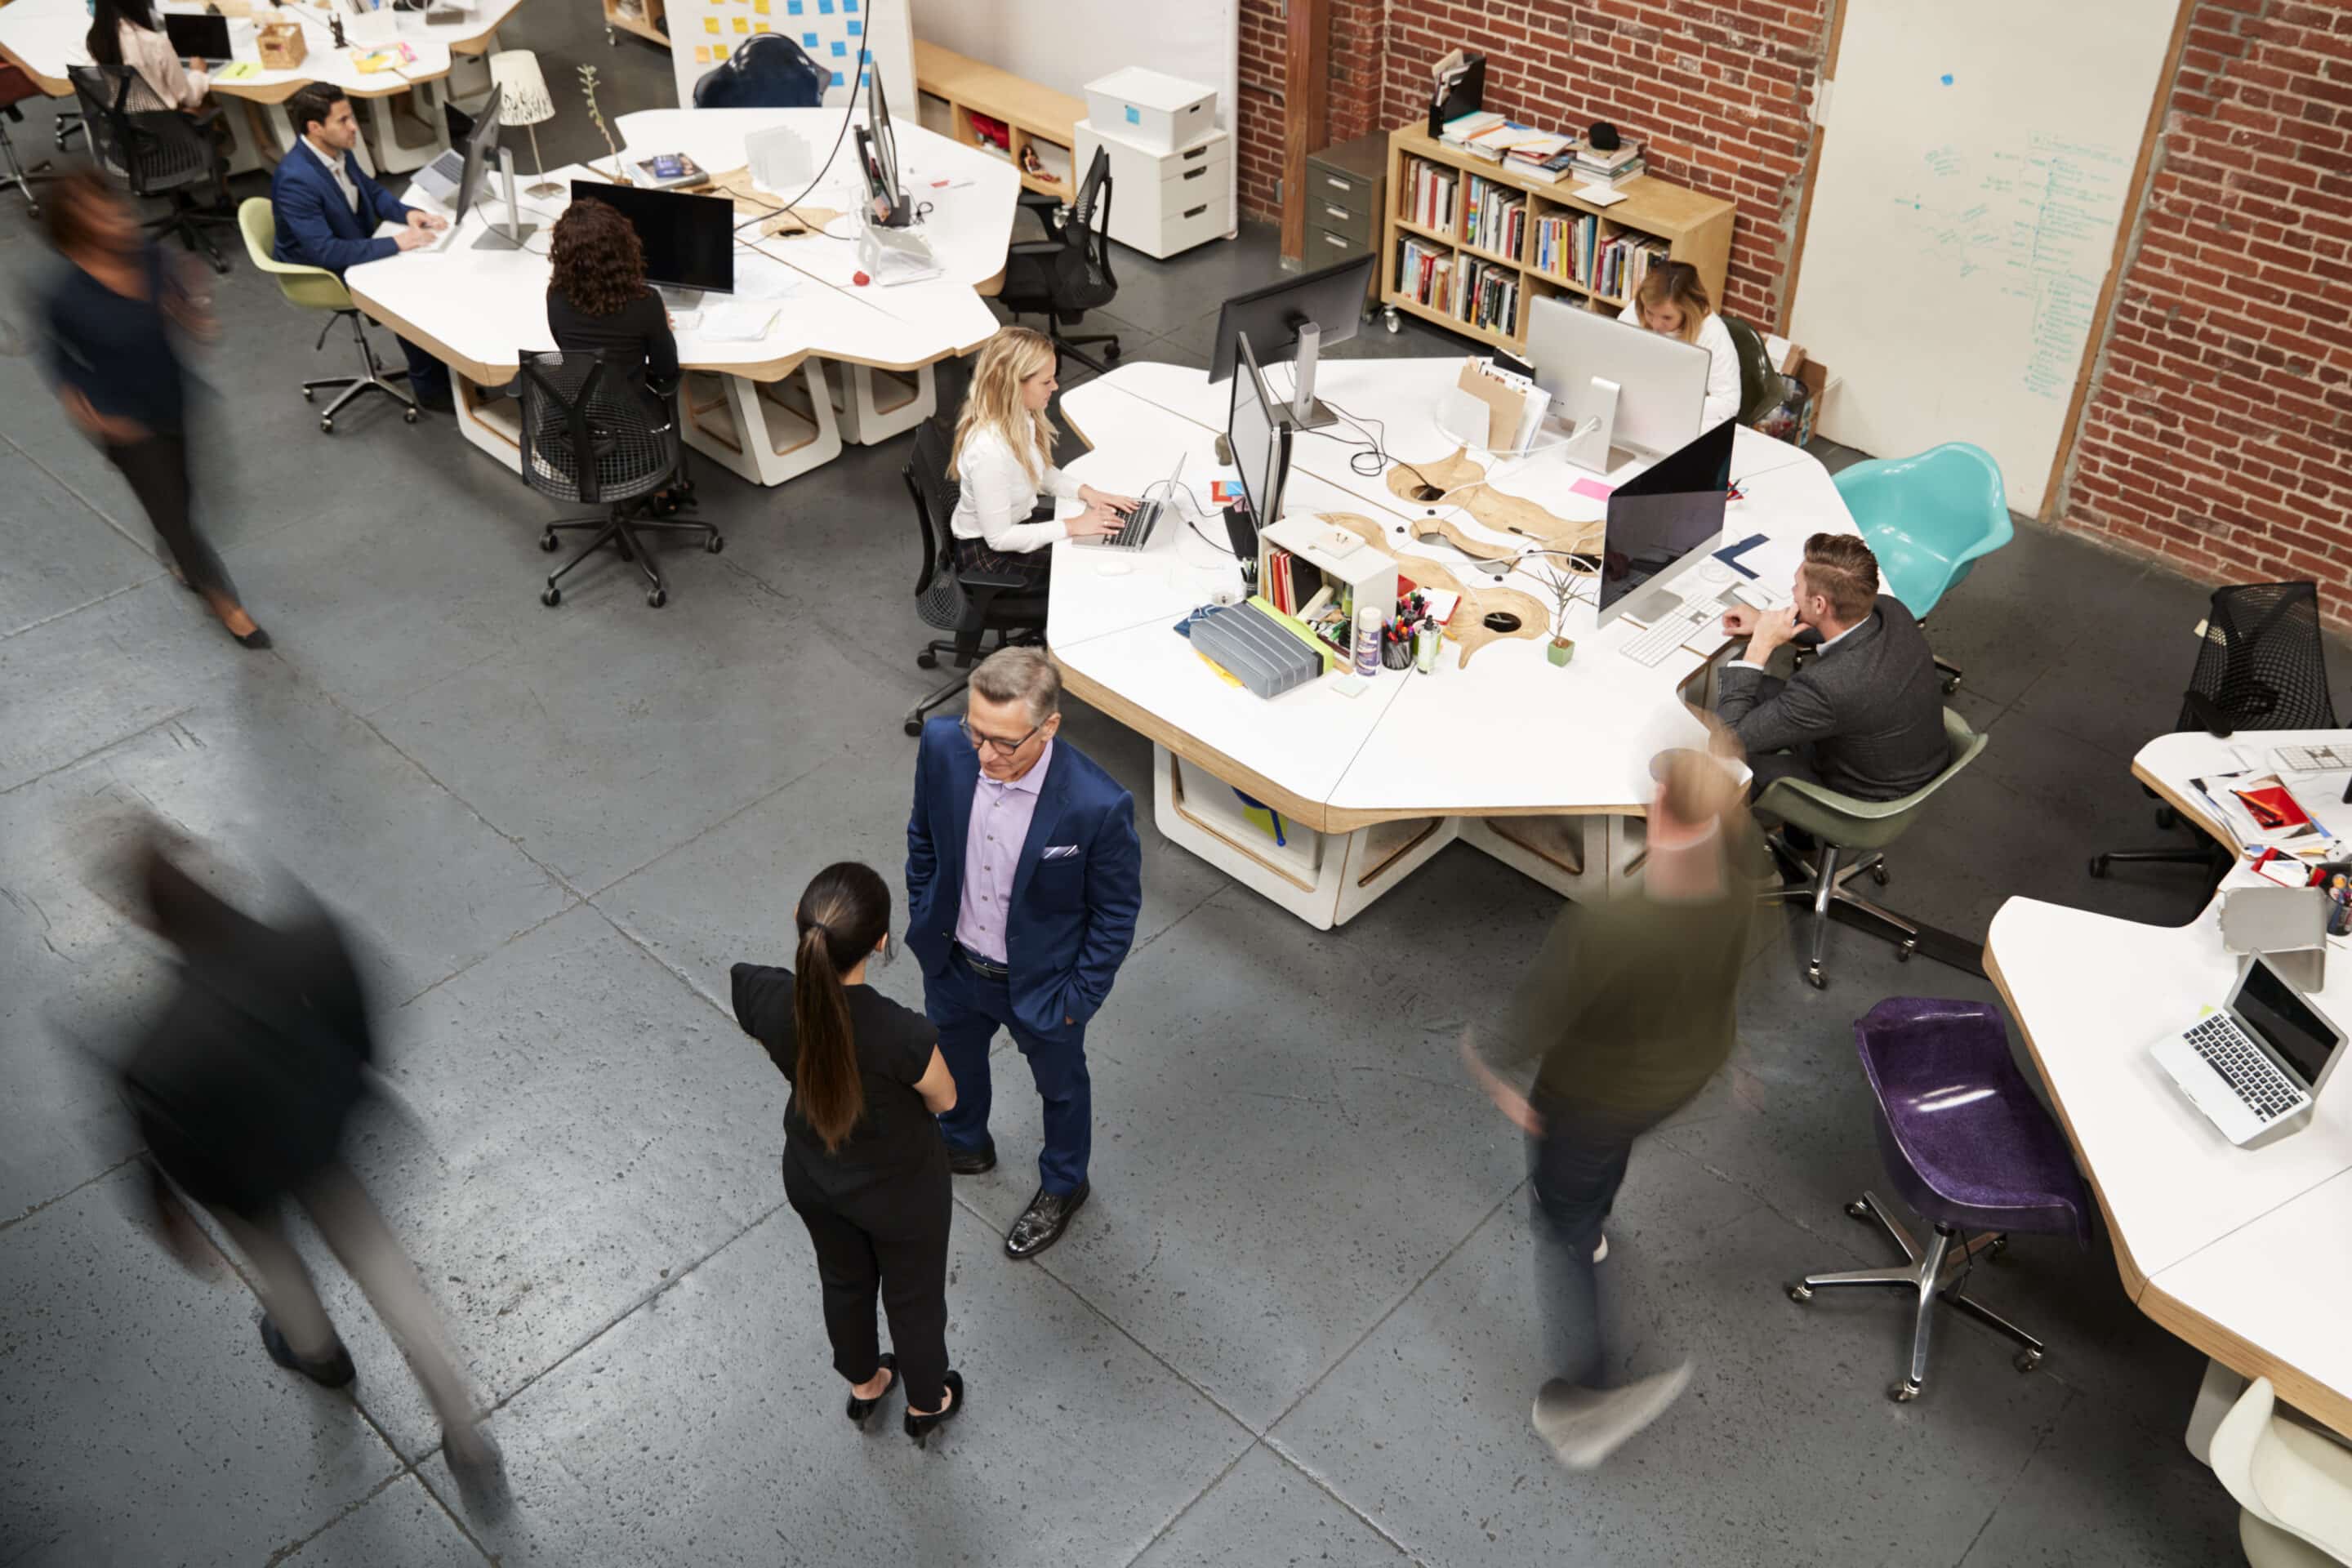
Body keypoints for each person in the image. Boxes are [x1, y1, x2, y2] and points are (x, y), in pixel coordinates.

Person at [92, 819, 502, 1505]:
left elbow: (176, 1166)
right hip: (327, 1148)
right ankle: (467, 1441)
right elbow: (367, 1044)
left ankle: (323, 1359)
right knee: (389, 1277)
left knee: (283, 1277)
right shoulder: (310, 942)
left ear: (149, 922)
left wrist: (199, 1215)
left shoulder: (150, 1057)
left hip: (247, 1187)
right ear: (206, 871)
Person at [1459, 746, 1763, 1470]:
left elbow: (1532, 1023)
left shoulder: (1619, 924)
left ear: (1660, 811)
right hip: (1682, 1072)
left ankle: (1592, 1400)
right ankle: (1594, 1216)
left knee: (1558, 1222)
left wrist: (1486, 1062)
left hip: (1592, 1099)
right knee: (1605, 1161)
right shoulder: (1742, 877)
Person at [905, 647, 1142, 1259]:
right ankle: (964, 1143)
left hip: (1042, 985)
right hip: (955, 963)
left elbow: (1115, 913)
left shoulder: (1096, 805)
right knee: (954, 1062)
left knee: (1061, 1089)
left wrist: (1078, 999)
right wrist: (925, 912)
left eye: (1005, 744)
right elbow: (923, 837)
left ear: (1050, 727)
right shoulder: (942, 748)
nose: (985, 757)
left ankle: (1065, 1184)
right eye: (976, 732)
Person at [731, 863, 967, 1446]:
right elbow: (945, 1099)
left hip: (814, 1179)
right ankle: (926, 1401)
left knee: (843, 1282)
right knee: (913, 1299)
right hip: (902, 1193)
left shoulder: (768, 997)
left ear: (799, 922)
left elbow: (753, 1012)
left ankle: (865, 1385)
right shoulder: (902, 1034)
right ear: (882, 941)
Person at [38, 172, 268, 649]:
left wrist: (193, 311)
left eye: (109, 205)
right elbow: (59, 357)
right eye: (94, 212)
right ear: (73, 226)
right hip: (124, 423)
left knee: (182, 495)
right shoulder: (66, 296)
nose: (112, 215)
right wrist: (81, 402)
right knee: (174, 516)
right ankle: (227, 603)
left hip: (172, 398)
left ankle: (182, 557)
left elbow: (185, 309)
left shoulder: (148, 257)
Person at [1714, 532, 1948, 803]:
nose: (1792, 592)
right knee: (1763, 689)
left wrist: (1760, 645)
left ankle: (1729, 829)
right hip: (1905, 754)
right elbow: (1840, 631)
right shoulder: (1890, 609)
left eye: (1796, 586)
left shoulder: (1828, 686)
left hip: (1871, 789)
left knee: (1728, 762)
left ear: (1819, 604)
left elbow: (1726, 739)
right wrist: (1769, 625)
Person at [270, 82, 453, 412]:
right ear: (315, 128)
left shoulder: (338, 149)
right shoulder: (295, 180)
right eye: (343, 120)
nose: (354, 127)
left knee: (422, 263)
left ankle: (445, 368)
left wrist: (410, 214)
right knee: (406, 287)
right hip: (319, 270)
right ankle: (431, 388)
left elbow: (372, 192)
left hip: (346, 243)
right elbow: (324, 252)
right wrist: (398, 241)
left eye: (351, 116)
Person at [944, 326, 1138, 587]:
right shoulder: (989, 452)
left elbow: (1038, 471)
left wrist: (1087, 493)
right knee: (1091, 565)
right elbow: (999, 539)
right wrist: (1074, 526)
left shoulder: (1020, 417)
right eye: (1046, 382)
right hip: (989, 557)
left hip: (1015, 525)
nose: (1055, 387)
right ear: (1014, 385)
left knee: (1104, 533)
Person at [546, 198, 687, 511]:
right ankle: (662, 494)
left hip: (569, 434)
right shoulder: (645, 301)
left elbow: (566, 349)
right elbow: (666, 370)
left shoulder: (555, 296)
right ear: (624, 249)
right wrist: (660, 325)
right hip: (635, 436)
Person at [1618, 261, 1740, 433]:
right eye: (1650, 313)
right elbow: (1614, 357)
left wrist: (1671, 405)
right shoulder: (1638, 309)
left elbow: (1728, 402)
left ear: (1688, 312)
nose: (1656, 325)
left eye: (1667, 318)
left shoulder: (1712, 332)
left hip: (1681, 422)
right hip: (1634, 412)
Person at [87, 0, 207, 114]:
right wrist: (198, 72)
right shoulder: (155, 42)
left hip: (127, 126)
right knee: (206, 106)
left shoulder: (95, 40)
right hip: (164, 126)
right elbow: (190, 99)